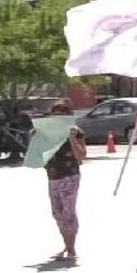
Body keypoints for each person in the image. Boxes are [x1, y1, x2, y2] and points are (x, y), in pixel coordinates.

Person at [43, 99, 86, 262]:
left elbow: (82, 156)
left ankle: (72, 249)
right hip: (52, 176)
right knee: (57, 212)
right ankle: (66, 246)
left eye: (62, 116)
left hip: (69, 175)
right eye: (55, 116)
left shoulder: (76, 131)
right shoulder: (48, 132)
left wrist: (72, 139)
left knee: (68, 212)